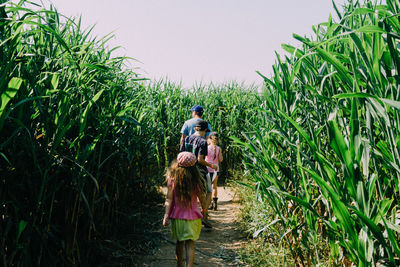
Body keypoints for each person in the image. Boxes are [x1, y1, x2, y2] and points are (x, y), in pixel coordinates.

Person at [163, 152, 208, 267]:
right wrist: (204, 209)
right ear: (194, 167)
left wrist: (166, 215)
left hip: (177, 218)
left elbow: (168, 199)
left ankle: (179, 264)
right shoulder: (195, 182)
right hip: (193, 218)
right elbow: (202, 198)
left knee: (179, 242)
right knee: (190, 245)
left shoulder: (173, 181)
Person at [180, 119, 217, 228]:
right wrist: (211, 166)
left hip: (186, 170)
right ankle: (204, 215)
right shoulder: (202, 142)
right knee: (208, 192)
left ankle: (186, 218)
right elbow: (200, 160)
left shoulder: (186, 139)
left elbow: (181, 155)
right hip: (200, 171)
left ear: (195, 128)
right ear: (206, 130)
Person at [205, 132, 223, 210]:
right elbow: (221, 159)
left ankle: (208, 204)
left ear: (209, 139)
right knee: (214, 186)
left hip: (207, 169)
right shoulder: (219, 148)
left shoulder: (207, 148)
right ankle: (215, 204)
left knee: (208, 187)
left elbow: (204, 158)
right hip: (216, 169)